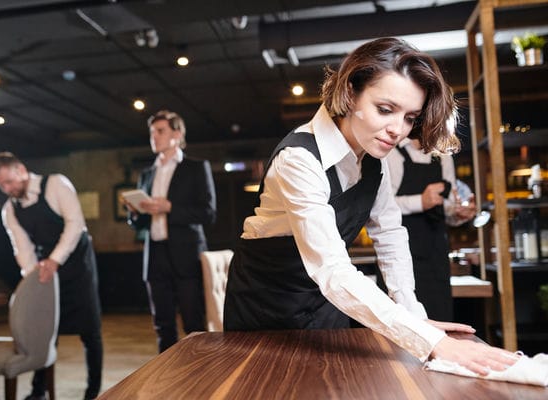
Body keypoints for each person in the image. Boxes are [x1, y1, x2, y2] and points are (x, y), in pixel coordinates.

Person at [223, 37, 518, 374]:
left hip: (327, 305)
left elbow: (390, 233)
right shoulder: (299, 160)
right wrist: (430, 341)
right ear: (350, 94)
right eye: (385, 109)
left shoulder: (374, 163)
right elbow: (332, 270)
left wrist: (414, 316)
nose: (398, 130)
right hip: (266, 311)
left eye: (410, 117)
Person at [0, 152, 103, 400]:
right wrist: (33, 281)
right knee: (45, 331)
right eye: (1, 185)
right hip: (46, 270)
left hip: (78, 264)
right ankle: (39, 391)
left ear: (20, 169)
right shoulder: (9, 210)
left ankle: (93, 392)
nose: (7, 189)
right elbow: (23, 248)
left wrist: (55, 260)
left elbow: (75, 224)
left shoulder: (57, 184)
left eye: (9, 181)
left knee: (90, 331)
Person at [126, 110, 216, 352]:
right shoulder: (146, 174)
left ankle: (200, 376)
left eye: (160, 131)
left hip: (186, 255)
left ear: (177, 134)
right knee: (162, 325)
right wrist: (135, 212)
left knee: (193, 323)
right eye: (152, 132)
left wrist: (169, 207)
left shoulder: (196, 168)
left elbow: (208, 212)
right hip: (154, 255)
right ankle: (169, 383)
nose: (154, 136)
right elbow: (139, 224)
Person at [387, 133, 477, 321]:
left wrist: (458, 213)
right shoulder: (391, 153)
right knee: (402, 325)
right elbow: (382, 206)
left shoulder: (443, 155)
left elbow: (448, 207)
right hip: (400, 257)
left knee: (440, 320)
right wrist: (421, 201)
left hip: (436, 258)